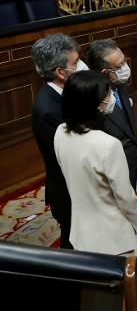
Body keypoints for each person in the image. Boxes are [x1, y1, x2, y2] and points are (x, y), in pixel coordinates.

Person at [54, 71, 137, 258]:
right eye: (108, 95)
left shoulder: (60, 132)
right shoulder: (108, 144)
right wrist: (136, 223)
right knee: (121, 287)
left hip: (80, 233)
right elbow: (125, 197)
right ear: (97, 105)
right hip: (113, 237)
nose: (112, 98)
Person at [31, 33, 89, 250]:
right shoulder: (48, 110)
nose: (81, 65)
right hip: (71, 192)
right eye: (75, 63)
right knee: (74, 243)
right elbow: (67, 157)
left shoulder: (65, 92)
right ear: (60, 72)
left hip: (80, 186)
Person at [85, 38, 137, 190]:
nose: (125, 67)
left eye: (124, 61)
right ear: (105, 72)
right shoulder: (94, 101)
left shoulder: (118, 84)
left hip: (130, 161)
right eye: (120, 66)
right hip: (113, 172)